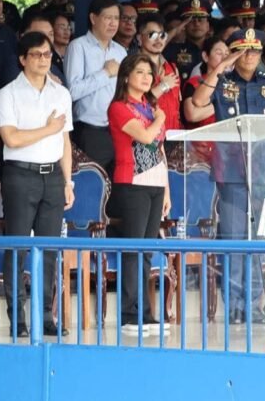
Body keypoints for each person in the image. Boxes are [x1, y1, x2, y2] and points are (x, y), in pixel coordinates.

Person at [189, 28, 265, 325]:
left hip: (263, 172)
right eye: (244, 51)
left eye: (255, 51)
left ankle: (254, 303)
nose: (251, 56)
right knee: (233, 237)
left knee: (259, 239)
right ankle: (233, 304)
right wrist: (219, 67)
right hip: (230, 170)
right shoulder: (221, 83)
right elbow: (195, 108)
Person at [0, 31, 74, 337]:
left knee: (49, 248)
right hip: (20, 173)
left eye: (48, 54)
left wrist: (68, 181)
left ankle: (45, 315)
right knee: (17, 245)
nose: (44, 60)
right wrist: (47, 129)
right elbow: (11, 138)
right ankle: (18, 316)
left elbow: (65, 140)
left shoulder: (60, 93)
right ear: (23, 59)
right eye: (37, 55)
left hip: (53, 174)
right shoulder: (8, 94)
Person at [106, 54, 171, 334]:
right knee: (134, 250)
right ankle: (129, 314)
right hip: (131, 183)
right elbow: (145, 137)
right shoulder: (120, 108)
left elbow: (160, 149)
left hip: (155, 183)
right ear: (126, 76)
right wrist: (161, 117)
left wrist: (166, 189)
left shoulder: (149, 107)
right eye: (140, 72)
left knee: (147, 250)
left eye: (149, 74)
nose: (146, 78)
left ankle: (146, 312)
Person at [64, 0, 127, 173]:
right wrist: (105, 73)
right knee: (93, 186)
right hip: (90, 132)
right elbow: (72, 91)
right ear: (93, 18)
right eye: (108, 17)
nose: (113, 23)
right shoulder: (78, 47)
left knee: (117, 189)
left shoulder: (120, 51)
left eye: (116, 18)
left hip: (118, 129)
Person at [135, 14, 183, 132]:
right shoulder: (133, 67)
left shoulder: (172, 68)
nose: (158, 40)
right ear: (140, 39)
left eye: (162, 35)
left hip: (173, 136)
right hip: (147, 139)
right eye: (152, 35)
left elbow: (177, 108)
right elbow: (134, 105)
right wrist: (162, 86)